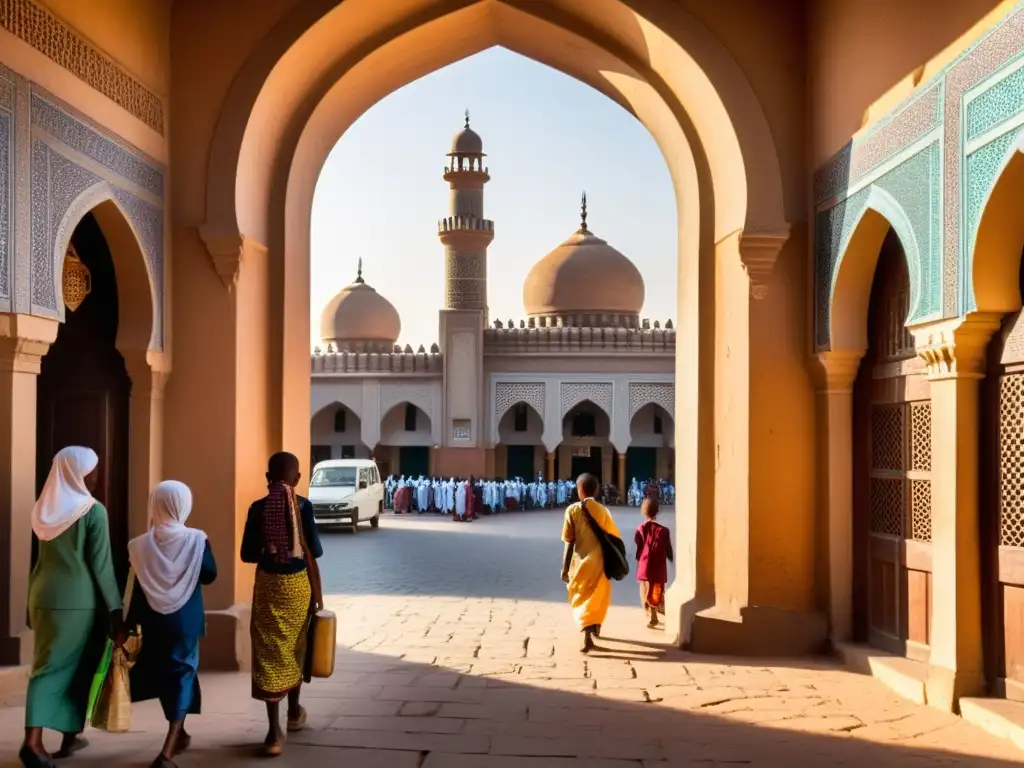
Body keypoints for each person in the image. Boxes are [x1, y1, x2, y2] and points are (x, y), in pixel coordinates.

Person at [21, 446, 125, 768]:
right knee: (51, 668)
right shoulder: (92, 511)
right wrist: (116, 611)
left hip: (42, 595)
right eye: (92, 470)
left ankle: (70, 732)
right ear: (78, 473)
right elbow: (102, 566)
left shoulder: (44, 509)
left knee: (68, 664)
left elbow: (39, 560)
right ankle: (33, 744)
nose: (96, 476)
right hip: (76, 602)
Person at [128, 480, 217, 768]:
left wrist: (127, 624)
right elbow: (209, 574)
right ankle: (166, 751)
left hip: (153, 621)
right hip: (185, 622)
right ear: (183, 505)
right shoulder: (196, 540)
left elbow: (136, 588)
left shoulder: (138, 545)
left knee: (167, 674)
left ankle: (180, 734)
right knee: (182, 674)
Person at [241, 452, 324, 757]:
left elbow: (248, 555)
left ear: (267, 478)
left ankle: (273, 731)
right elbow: (315, 549)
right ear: (298, 479)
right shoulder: (303, 506)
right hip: (297, 589)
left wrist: (268, 544)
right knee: (295, 646)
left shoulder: (257, 509)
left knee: (269, 652)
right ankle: (294, 712)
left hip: (268, 588)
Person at [560, 473, 621, 654]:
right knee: (598, 597)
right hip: (600, 564)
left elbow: (569, 542)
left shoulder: (571, 511)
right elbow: (614, 537)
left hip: (579, 565)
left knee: (582, 598)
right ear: (597, 490)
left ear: (579, 490)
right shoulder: (603, 511)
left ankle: (587, 634)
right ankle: (595, 626)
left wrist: (564, 568)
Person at [634, 497, 673, 628]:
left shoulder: (640, 528)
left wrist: (639, 559)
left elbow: (638, 545)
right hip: (658, 566)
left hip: (645, 564)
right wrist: (670, 558)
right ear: (657, 512)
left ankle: (652, 614)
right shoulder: (664, 531)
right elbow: (668, 549)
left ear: (643, 512)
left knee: (646, 588)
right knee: (656, 590)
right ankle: (655, 614)